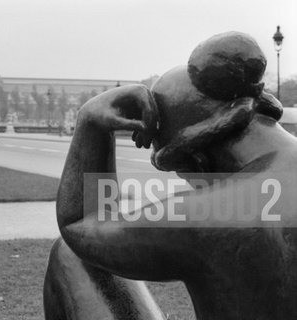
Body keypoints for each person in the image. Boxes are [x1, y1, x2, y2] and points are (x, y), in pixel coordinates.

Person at [44, 32, 297, 319]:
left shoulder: (217, 210)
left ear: (197, 159)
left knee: (71, 256)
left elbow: (79, 224)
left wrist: (90, 123)